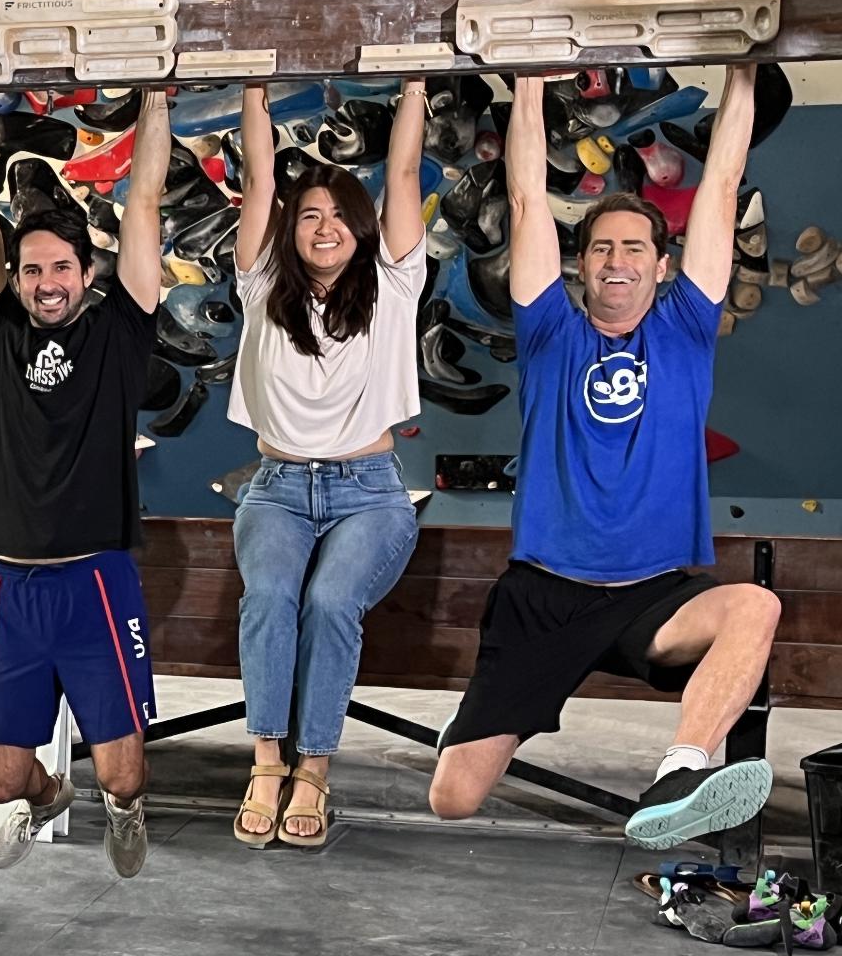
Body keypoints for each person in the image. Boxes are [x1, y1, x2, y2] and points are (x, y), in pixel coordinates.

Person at [429, 67, 782, 850]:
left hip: (652, 596)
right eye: (600, 248)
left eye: (635, 248)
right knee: (453, 799)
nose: (617, 260)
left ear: (663, 266)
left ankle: (680, 774)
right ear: (580, 266)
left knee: (755, 606)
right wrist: (525, 85)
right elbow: (525, 202)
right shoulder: (552, 331)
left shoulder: (686, 327)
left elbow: (721, 187)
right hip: (542, 597)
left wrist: (743, 69)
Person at [0, 89, 169, 878]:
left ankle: (120, 803)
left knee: (123, 769)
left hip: (96, 583)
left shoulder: (121, 332)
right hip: (12, 586)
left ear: (87, 273)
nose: (46, 281)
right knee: (0, 781)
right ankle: (49, 798)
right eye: (32, 268)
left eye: (61, 268)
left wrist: (156, 95)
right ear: (16, 278)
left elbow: (142, 201)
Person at [225, 82, 428, 848]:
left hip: (368, 492)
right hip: (276, 488)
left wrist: (413, 85)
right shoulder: (263, 285)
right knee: (273, 595)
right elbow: (259, 178)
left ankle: (314, 768)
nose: (325, 226)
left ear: (362, 227)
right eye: (310, 214)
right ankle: (267, 762)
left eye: (341, 214)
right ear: (290, 229)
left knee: (331, 602)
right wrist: (253, 90)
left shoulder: (395, 284)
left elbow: (403, 174)